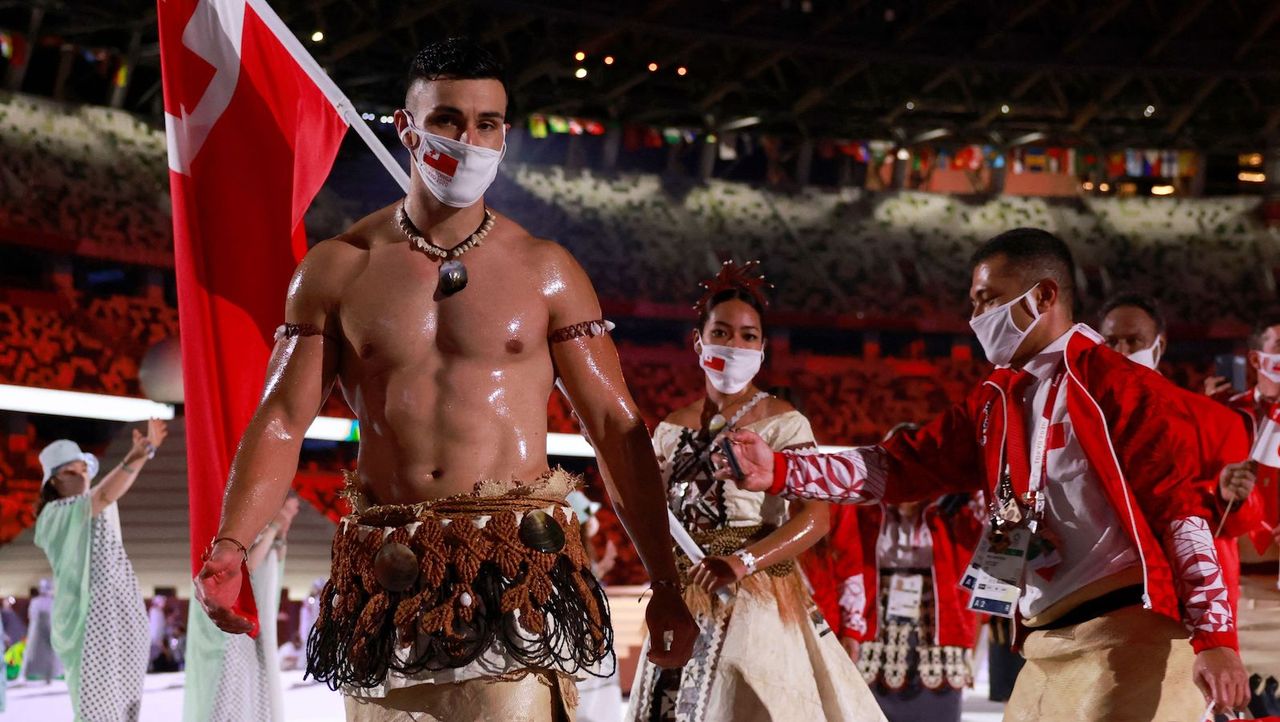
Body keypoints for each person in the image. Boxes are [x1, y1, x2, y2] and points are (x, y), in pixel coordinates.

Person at [194, 37, 696, 722]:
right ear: (405, 127)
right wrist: (230, 543)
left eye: (487, 124)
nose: (470, 140)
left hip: (514, 567)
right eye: (448, 120)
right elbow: (283, 415)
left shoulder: (547, 270)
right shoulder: (336, 269)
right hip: (386, 574)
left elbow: (615, 428)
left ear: (506, 135)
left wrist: (665, 579)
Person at [720, 228, 1250, 719]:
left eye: (988, 299)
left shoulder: (1124, 389)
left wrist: (1217, 639)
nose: (974, 315)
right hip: (1044, 644)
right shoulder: (994, 400)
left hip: (1130, 636)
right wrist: (783, 469)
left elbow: (1182, 516)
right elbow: (897, 466)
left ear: (1043, 296)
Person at [627, 261, 883, 722]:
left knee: (749, 702)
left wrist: (741, 562)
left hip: (757, 591)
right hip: (685, 589)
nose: (735, 345)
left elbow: (816, 517)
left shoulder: (784, 420)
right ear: (698, 341)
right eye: (722, 332)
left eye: (748, 336)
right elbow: (651, 514)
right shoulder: (669, 427)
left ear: (762, 349)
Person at [1100, 292, 1265, 616]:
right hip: (1103, 595)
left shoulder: (1212, 419)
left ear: (1158, 345)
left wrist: (1225, 494)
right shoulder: (1074, 420)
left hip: (1186, 602)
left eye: (1134, 341)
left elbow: (1243, 519)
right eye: (1111, 342)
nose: (1121, 352)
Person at [844, 422, 984, 722]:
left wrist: (965, 486)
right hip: (874, 625)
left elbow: (985, 530)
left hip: (939, 627)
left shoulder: (954, 511)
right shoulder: (864, 510)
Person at [33, 420, 168, 722]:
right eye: (71, 470)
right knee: (97, 712)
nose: (81, 474)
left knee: (126, 708)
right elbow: (103, 496)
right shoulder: (52, 517)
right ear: (53, 481)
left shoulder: (93, 502)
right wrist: (138, 455)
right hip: (88, 622)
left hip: (123, 614)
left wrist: (139, 455)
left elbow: (106, 494)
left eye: (84, 468)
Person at [184, 496, 298, 722]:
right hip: (228, 633)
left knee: (250, 697)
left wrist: (280, 533)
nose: (290, 515)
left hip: (249, 634)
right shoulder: (244, 525)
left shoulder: (266, 531)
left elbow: (275, 563)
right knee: (227, 701)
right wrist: (274, 528)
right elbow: (246, 569)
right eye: (288, 509)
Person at [19, 578, 60, 683]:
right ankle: (46, 677)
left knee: (35, 653)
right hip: (44, 630)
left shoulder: (39, 601)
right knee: (44, 653)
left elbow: (31, 615)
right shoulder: (51, 601)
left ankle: (29, 675)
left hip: (39, 630)